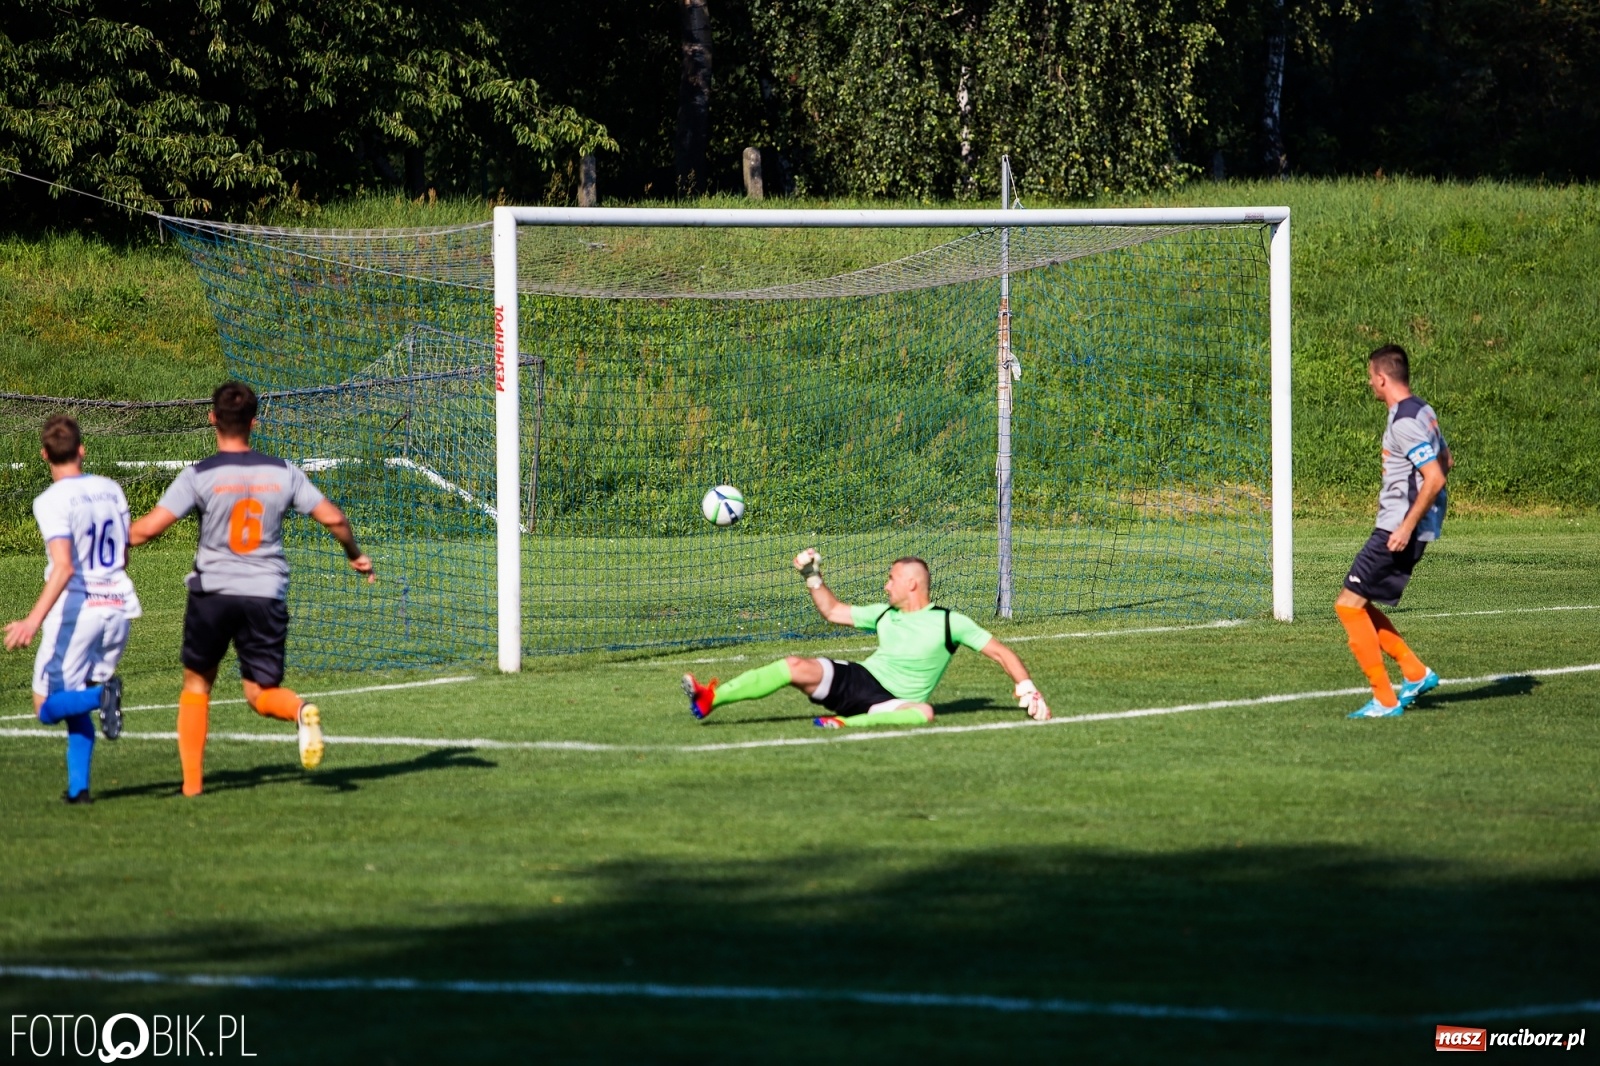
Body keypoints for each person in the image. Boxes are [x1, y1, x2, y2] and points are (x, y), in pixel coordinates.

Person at [128, 382, 375, 796]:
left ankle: (191, 786)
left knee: (196, 686)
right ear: (254, 422)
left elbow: (147, 531)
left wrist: (104, 537)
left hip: (213, 592)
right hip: (265, 592)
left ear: (212, 418)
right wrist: (353, 552)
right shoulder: (283, 472)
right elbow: (334, 518)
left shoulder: (199, 475)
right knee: (261, 694)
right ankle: (300, 710)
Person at [681, 549, 1051, 728]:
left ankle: (844, 724)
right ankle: (711, 697)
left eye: (891, 578)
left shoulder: (948, 622)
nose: (885, 584)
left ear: (911, 583)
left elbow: (1001, 652)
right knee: (794, 665)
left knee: (923, 712)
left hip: (892, 704)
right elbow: (833, 611)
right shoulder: (883, 613)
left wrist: (1028, 689)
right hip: (859, 681)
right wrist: (812, 576)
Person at [3, 415, 136, 804]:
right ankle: (79, 790)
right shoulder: (111, 488)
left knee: (45, 707)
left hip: (78, 612)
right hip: (119, 606)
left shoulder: (50, 500)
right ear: (82, 449)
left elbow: (63, 567)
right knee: (74, 698)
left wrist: (32, 620)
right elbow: (123, 554)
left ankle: (103, 697)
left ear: (44, 454)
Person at [1338, 344, 1450, 719]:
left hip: (1398, 528)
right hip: (1409, 525)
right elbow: (1446, 460)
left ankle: (1384, 700)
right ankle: (1415, 673)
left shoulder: (1403, 421)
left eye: (1371, 376)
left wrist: (1406, 524)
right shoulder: (1423, 410)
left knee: (1348, 605)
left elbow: (1433, 475)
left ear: (1382, 377)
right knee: (1360, 602)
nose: (1370, 382)